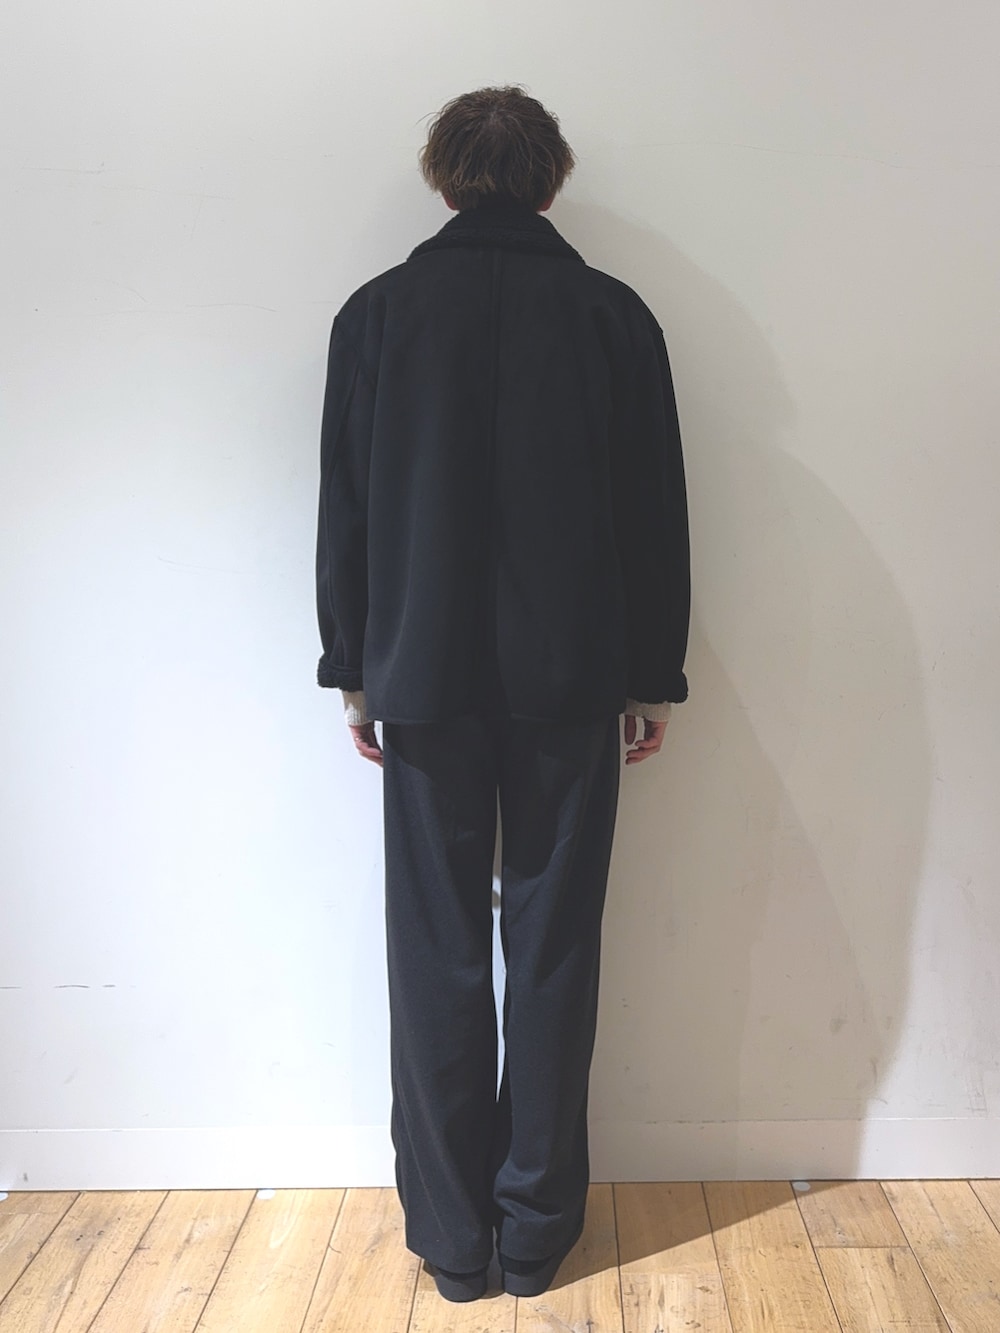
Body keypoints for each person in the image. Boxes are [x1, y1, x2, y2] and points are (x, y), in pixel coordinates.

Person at [314, 85, 691, 1302]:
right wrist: (652, 673)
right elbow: (653, 509)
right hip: (572, 677)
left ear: (442, 177)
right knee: (554, 948)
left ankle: (452, 1237)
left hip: (421, 676)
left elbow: (345, 509)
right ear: (549, 178)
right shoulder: (610, 316)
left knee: (432, 950)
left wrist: (353, 669)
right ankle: (534, 1232)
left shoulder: (378, 314)